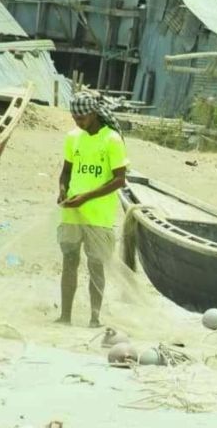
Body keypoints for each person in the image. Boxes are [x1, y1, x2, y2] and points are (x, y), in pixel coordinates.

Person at [56, 92, 128, 328]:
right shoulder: (73, 138)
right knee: (69, 260)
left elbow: (119, 180)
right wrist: (63, 190)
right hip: (72, 212)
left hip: (99, 215)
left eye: (82, 118)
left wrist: (85, 197)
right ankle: (65, 315)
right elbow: (66, 170)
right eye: (75, 118)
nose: (78, 122)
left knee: (95, 264)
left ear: (94, 113)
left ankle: (94, 317)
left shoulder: (112, 139)